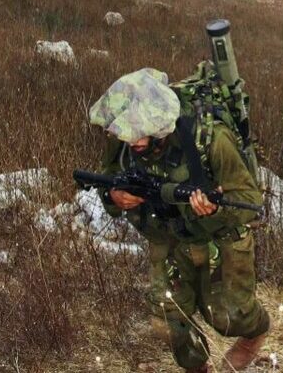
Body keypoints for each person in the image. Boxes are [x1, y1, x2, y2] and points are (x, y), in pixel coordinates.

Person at [89, 68, 269, 373]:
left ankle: (255, 334)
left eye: (135, 131)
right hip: (168, 237)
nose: (126, 138)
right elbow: (107, 180)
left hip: (219, 237)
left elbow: (251, 203)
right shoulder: (126, 140)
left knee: (226, 317)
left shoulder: (209, 139)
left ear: (157, 123)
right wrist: (115, 197)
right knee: (168, 317)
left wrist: (214, 209)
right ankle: (198, 367)